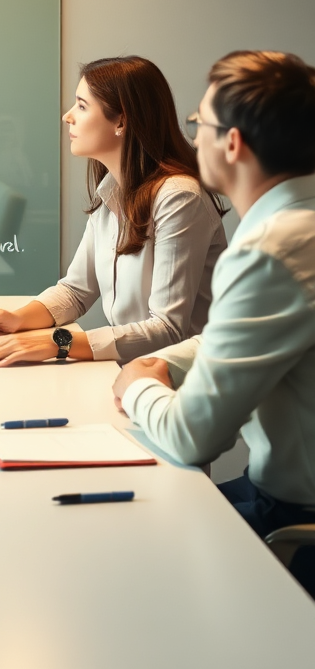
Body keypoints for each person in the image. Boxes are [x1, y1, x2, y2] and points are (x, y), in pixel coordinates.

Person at [113, 51, 315, 594]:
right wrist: (166, 362)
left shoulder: (273, 251)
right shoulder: (299, 231)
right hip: (289, 503)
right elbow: (250, 331)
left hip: (293, 524)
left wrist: (137, 386)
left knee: (123, 565)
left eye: (199, 122)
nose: (193, 136)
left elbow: (192, 437)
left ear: (232, 143)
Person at [0, 56, 226, 365]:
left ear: (121, 121)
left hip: (176, 385)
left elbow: (168, 328)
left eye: (82, 106)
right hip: (132, 374)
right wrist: (16, 319)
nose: (67, 117)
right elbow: (75, 291)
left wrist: (58, 342)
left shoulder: (179, 198)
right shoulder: (112, 191)